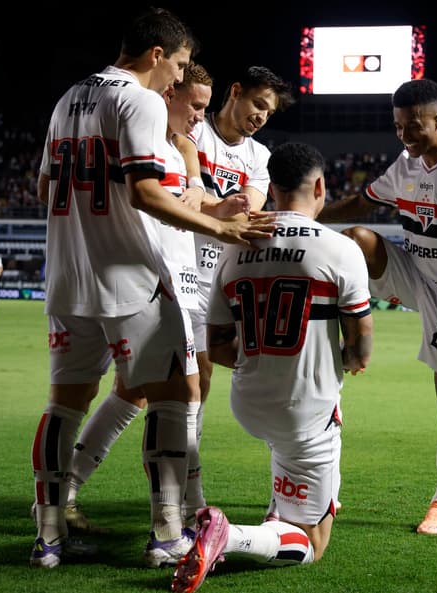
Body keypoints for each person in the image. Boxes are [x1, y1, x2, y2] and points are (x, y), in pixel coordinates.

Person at [30, 9, 274, 569]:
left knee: (63, 405)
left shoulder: (68, 98)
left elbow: (46, 187)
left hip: (67, 278)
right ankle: (167, 533)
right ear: (158, 54)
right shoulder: (137, 99)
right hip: (130, 276)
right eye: (180, 64)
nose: (177, 78)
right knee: (175, 395)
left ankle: (47, 540)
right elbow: (143, 193)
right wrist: (221, 226)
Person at [60, 62, 248, 547]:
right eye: (194, 104)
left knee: (144, 391)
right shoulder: (135, 128)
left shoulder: (180, 142)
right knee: (166, 393)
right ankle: (175, 520)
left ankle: (75, 497)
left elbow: (190, 191)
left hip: (172, 282)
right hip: (139, 282)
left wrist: (209, 202)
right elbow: (151, 197)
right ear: (168, 91)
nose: (199, 119)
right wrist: (209, 212)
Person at [170, 142, 373, 593]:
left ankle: (280, 509)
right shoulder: (340, 249)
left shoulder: (235, 248)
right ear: (319, 186)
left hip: (248, 400)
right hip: (305, 407)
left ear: (273, 189)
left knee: (290, 456)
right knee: (313, 545)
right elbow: (361, 350)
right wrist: (335, 364)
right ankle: (230, 536)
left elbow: (218, 346)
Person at [317, 78, 437, 535]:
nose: (404, 136)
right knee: (356, 242)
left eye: (413, 127)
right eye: (398, 126)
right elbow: (359, 203)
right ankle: (347, 349)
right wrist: (305, 214)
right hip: (411, 271)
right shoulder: (404, 164)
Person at [179, 65, 294, 519]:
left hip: (229, 284)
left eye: (270, 112)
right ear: (235, 92)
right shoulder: (192, 129)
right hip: (183, 275)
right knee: (189, 387)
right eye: (258, 104)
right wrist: (217, 206)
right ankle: (187, 495)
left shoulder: (261, 156)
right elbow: (193, 191)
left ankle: (302, 484)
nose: (262, 116)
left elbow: (248, 209)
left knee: (269, 379)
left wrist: (212, 204)